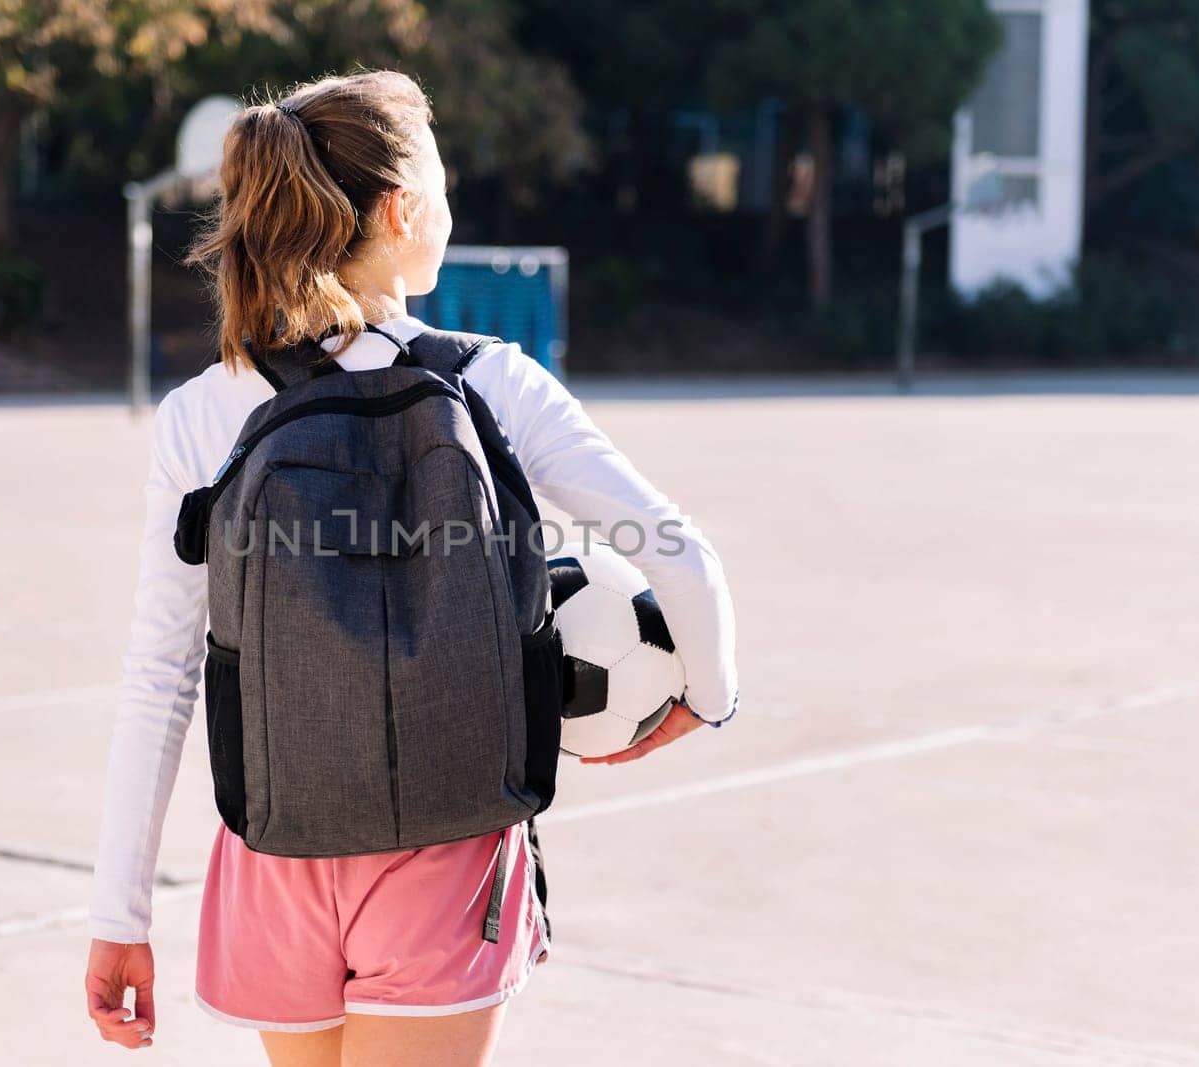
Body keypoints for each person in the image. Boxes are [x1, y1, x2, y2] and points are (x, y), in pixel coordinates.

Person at [84, 69, 739, 1067]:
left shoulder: (199, 413)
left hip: (277, 848)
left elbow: (161, 674)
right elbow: (677, 551)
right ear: (403, 209)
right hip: (448, 844)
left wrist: (118, 912)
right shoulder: (491, 380)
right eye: (444, 179)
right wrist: (709, 694)